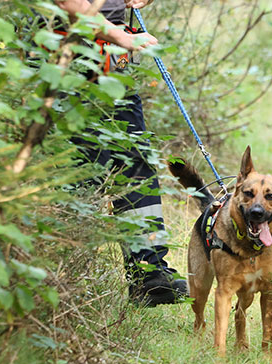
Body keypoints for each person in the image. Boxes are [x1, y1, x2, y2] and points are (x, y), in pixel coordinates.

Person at [54, 0, 187, 306]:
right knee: (81, 177)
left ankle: (149, 275)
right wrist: (121, 36)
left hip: (112, 69)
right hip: (67, 66)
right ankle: (62, 284)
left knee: (136, 168)